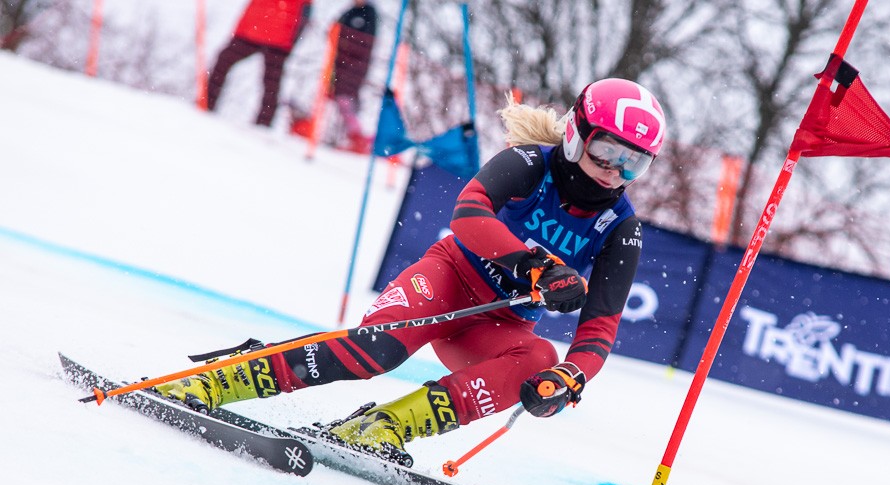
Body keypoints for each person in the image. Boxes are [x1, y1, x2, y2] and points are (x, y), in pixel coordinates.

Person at [155, 78, 665, 463]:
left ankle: (384, 426)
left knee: (538, 359)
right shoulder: (531, 162)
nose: (615, 171)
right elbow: (468, 214)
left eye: (634, 163)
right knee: (373, 353)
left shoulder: (621, 228)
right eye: (607, 151)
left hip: (497, 323)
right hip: (447, 282)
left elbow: (600, 326)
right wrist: (536, 266)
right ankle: (216, 381)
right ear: (576, 135)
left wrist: (570, 376)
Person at [205, 0, 313, 127]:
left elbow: (306, 10)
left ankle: (207, 104)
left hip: (269, 31)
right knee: (271, 83)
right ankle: (263, 123)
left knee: (225, 63)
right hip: (269, 31)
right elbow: (306, 11)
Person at [327, 0, 378, 152]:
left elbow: (363, 43)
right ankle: (349, 136)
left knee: (345, 100)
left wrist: (345, 41)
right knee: (340, 98)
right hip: (340, 65)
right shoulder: (350, 11)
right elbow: (335, 28)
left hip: (354, 67)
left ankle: (357, 136)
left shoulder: (369, 13)